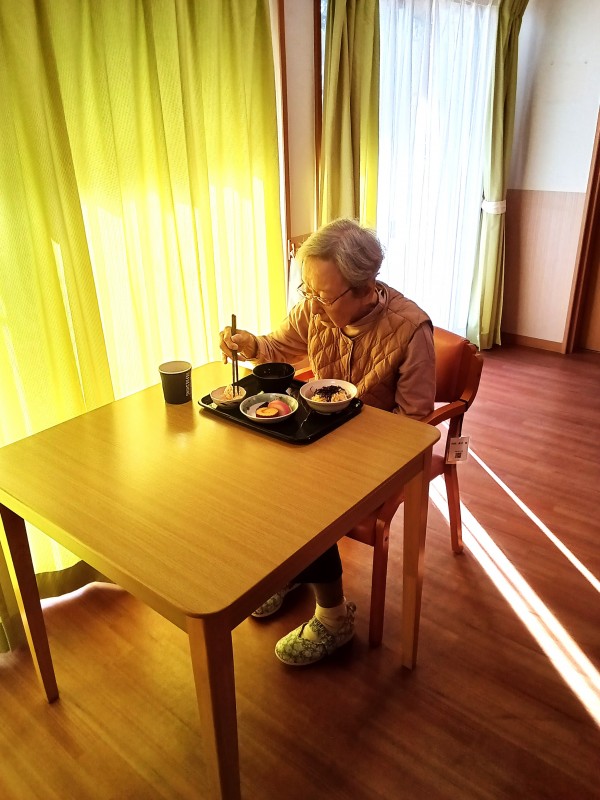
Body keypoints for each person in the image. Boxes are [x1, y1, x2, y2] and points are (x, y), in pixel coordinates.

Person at [219, 218, 435, 666]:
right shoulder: (314, 308)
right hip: (321, 439)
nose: (313, 307)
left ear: (365, 287)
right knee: (257, 471)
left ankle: (334, 619)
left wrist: (358, 442)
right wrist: (248, 344)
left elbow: (415, 426)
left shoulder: (411, 330)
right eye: (308, 291)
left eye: (324, 296)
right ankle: (296, 570)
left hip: (377, 457)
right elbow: (276, 347)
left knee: (304, 497)